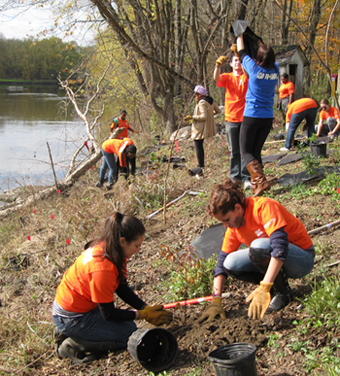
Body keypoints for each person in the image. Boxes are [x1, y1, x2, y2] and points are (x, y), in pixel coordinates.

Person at [52, 212, 173, 363]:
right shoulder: (101, 269)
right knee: (128, 335)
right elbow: (108, 314)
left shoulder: (111, 249)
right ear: (123, 241)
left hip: (80, 306)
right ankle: (72, 344)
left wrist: (144, 307)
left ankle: (76, 332)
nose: (138, 250)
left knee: (128, 325)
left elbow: (121, 286)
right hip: (72, 317)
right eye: (136, 245)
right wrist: (142, 315)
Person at [198, 179, 315, 322]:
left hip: (302, 259)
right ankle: (274, 291)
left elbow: (280, 248)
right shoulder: (234, 227)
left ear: (238, 209)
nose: (225, 225)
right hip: (277, 257)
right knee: (230, 263)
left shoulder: (263, 207)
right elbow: (221, 263)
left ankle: (282, 294)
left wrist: (264, 285)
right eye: (222, 222)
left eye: (226, 219)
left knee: (259, 246)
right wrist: (216, 300)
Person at [236, 33, 279, 196]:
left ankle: (261, 180)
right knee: (255, 151)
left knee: (245, 151)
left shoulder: (253, 68)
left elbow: (241, 52)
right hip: (267, 118)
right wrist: (258, 40)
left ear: (258, 57)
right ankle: (257, 186)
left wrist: (240, 34)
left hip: (252, 116)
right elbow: (265, 53)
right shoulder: (275, 69)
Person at [214, 50, 251, 190]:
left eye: (239, 61)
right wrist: (217, 65)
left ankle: (247, 177)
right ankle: (235, 178)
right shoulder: (228, 77)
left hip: (245, 118)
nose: (237, 63)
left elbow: (248, 74)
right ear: (230, 63)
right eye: (235, 60)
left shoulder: (245, 77)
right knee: (234, 150)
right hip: (231, 118)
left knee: (245, 149)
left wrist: (241, 53)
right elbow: (216, 77)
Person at [184, 85, 221, 171]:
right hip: (206, 127)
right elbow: (218, 111)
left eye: (196, 94)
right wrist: (210, 115)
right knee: (199, 145)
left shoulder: (202, 103)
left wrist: (192, 117)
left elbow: (203, 117)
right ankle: (201, 165)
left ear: (200, 95)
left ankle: (200, 166)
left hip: (201, 128)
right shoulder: (209, 101)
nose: (195, 96)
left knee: (198, 145)